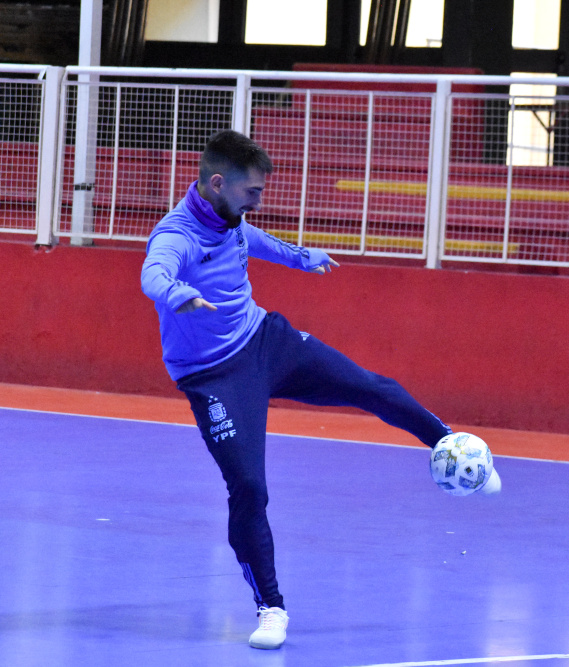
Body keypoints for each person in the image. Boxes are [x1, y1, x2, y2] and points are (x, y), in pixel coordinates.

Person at [140, 129, 500, 650]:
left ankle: (453, 447)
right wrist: (179, 294)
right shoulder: (176, 237)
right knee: (249, 488)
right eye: (252, 193)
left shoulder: (231, 217)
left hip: (266, 340)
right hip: (214, 375)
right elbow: (153, 274)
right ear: (217, 184)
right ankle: (271, 608)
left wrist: (298, 256)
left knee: (371, 387)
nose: (258, 201)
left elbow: (251, 241)